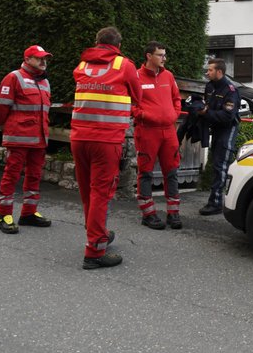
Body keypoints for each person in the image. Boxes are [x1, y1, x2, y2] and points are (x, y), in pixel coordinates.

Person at [71, 27, 142, 269]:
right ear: (118, 46)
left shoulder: (82, 66)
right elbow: (138, 96)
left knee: (87, 192)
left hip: (79, 138)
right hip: (106, 140)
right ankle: (94, 252)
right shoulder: (124, 65)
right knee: (101, 193)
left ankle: (97, 233)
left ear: (97, 42)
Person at [0, 45, 54, 234]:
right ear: (27, 59)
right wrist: (8, 128)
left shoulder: (44, 82)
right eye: (38, 58)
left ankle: (29, 213)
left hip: (39, 139)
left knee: (35, 176)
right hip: (18, 138)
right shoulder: (14, 77)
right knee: (11, 176)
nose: (43, 62)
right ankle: (4, 215)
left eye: (45, 59)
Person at [133, 41, 182, 230]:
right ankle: (148, 214)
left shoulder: (168, 76)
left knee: (172, 172)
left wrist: (174, 114)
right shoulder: (136, 77)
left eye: (164, 54)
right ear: (149, 56)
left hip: (169, 131)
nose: (164, 58)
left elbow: (177, 99)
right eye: (160, 55)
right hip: (147, 131)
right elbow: (130, 104)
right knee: (145, 172)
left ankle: (173, 213)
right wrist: (144, 116)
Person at [198, 58, 240, 216]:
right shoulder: (209, 86)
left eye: (210, 70)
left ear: (219, 72)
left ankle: (215, 204)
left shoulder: (230, 90)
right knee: (216, 165)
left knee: (221, 166)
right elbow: (207, 105)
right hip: (215, 129)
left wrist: (206, 113)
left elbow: (227, 116)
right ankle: (216, 200)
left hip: (227, 130)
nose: (207, 72)